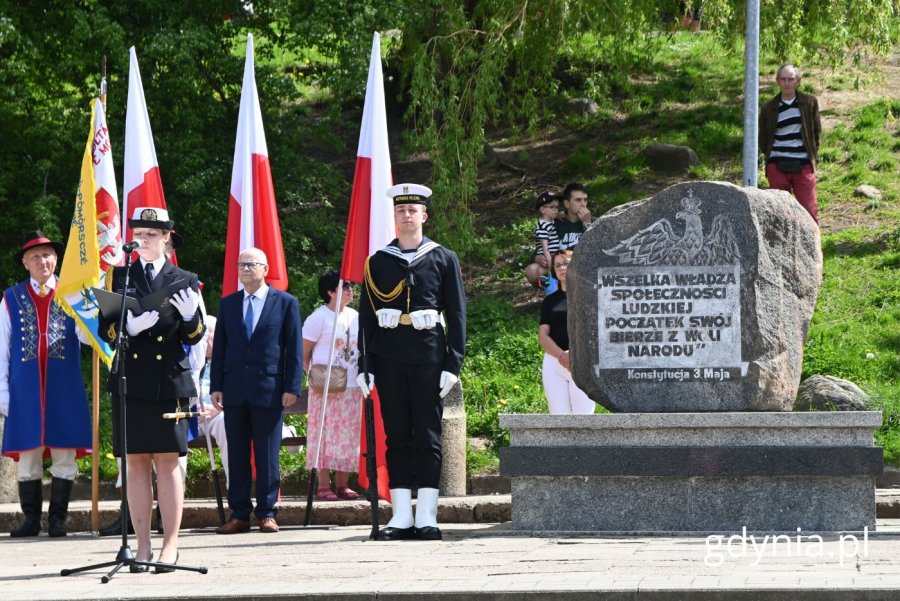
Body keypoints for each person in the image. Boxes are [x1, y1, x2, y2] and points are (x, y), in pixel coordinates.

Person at [357, 183, 467, 541]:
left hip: (428, 358)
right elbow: (366, 319)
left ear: (424, 216)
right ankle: (402, 514)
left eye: (413, 210)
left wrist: (453, 363)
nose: (407, 215)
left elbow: (457, 313)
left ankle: (428, 516)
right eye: (401, 210)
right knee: (397, 435)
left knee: (429, 436)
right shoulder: (378, 262)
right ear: (395, 216)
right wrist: (365, 365)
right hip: (389, 359)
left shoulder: (443, 257)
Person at [99, 207, 205, 572]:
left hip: (169, 380)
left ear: (166, 239)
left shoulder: (185, 278)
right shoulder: (121, 275)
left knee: (167, 461)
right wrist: (126, 328)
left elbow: (194, 336)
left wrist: (192, 318)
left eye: (150, 234)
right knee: (136, 462)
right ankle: (142, 546)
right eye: (138, 233)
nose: (142, 240)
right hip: (131, 378)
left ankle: (170, 545)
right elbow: (106, 328)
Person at [1, 231, 92, 537]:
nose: (43, 261)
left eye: (49, 255)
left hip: (64, 387)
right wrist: (3, 392)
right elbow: (2, 349)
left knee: (64, 452)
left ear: (57, 260)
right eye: (36, 256)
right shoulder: (11, 298)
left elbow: (87, 339)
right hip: (24, 390)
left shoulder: (72, 295)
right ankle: (30, 520)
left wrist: (88, 310)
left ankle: (58, 520)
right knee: (28, 454)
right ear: (26, 262)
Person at [210, 247, 303, 535]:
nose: (245, 269)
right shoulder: (228, 304)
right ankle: (239, 514)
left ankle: (267, 513)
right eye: (241, 265)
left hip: (270, 389)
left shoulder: (285, 303)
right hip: (235, 389)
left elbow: (294, 348)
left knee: (267, 454)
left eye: (251, 264)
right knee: (236, 455)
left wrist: (292, 387)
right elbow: (221, 349)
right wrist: (216, 386)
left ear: (265, 268)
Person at [302, 270, 362, 501]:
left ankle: (343, 484)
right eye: (344, 286)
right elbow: (304, 352)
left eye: (350, 286)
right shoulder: (318, 318)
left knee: (347, 435)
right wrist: (314, 376)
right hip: (325, 386)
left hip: (352, 384)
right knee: (324, 435)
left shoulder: (355, 316)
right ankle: (323, 485)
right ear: (330, 291)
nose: (350, 290)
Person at [759, 63, 821, 223]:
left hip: (803, 164)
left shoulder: (809, 103)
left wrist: (811, 154)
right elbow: (763, 138)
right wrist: (772, 158)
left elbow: (816, 133)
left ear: (798, 81)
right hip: (777, 164)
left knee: (809, 210)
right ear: (778, 81)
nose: (787, 83)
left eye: (791, 79)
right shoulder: (768, 108)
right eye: (783, 79)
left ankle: (813, 247)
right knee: (780, 213)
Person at [538, 250, 594, 415]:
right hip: (554, 362)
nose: (562, 268)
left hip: (583, 361)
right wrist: (562, 355)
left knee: (584, 416)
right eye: (557, 265)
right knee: (558, 415)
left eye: (566, 263)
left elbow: (595, 332)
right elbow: (543, 336)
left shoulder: (590, 297)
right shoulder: (549, 301)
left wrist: (575, 355)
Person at [524, 192, 561, 288]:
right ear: (543, 209)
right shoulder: (542, 226)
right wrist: (549, 260)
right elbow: (545, 245)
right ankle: (552, 289)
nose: (556, 210)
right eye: (552, 207)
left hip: (555, 255)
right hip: (549, 256)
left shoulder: (549, 222)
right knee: (550, 275)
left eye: (557, 207)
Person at [555, 183, 592, 250]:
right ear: (567, 204)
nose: (583, 204)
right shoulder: (555, 224)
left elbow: (597, 250)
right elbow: (540, 254)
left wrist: (587, 224)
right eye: (578, 200)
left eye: (585, 200)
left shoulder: (596, 222)